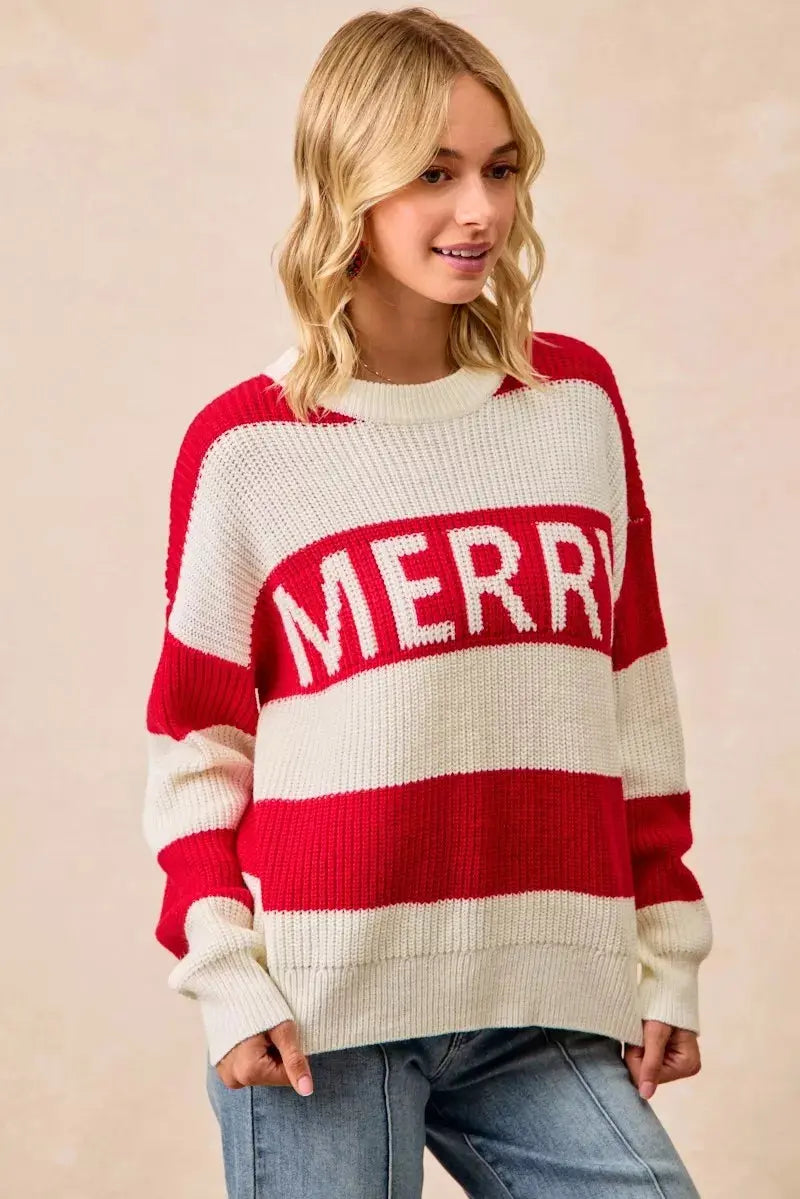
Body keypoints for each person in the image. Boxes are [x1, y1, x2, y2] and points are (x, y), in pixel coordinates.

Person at [142, 7, 713, 1196]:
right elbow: (197, 743)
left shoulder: (573, 404)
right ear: (346, 183)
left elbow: (632, 688)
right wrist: (227, 975)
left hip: (539, 993)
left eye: (499, 170)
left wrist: (665, 946)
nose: (479, 211)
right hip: (317, 1010)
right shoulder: (247, 448)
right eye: (434, 173)